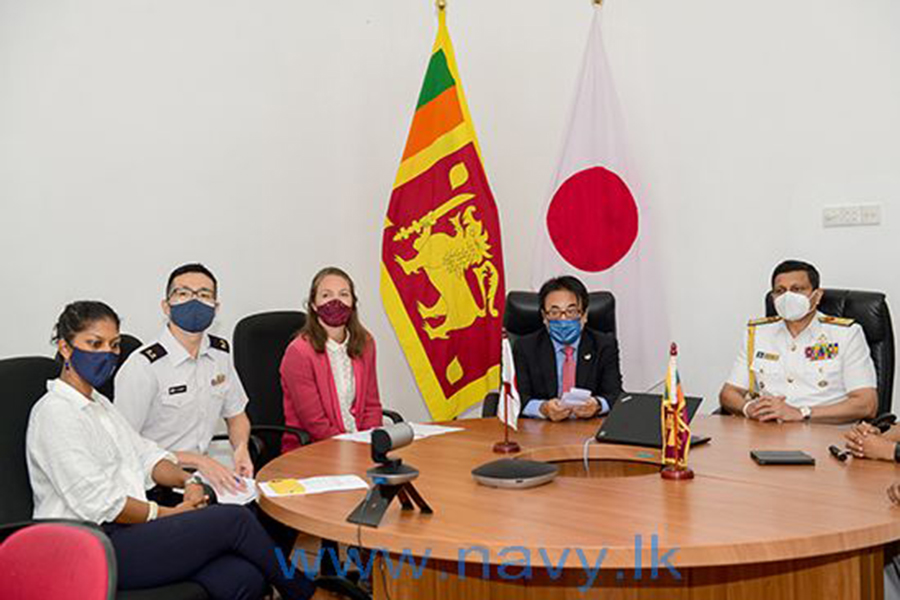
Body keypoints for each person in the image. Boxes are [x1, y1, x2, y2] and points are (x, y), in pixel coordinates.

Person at [26, 301, 327, 600]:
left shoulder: (100, 405)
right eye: (95, 344)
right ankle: (311, 596)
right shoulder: (56, 413)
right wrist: (169, 514)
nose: (108, 353)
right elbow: (101, 503)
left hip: (127, 530)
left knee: (242, 578)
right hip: (88, 546)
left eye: (114, 345)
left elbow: (147, 456)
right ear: (66, 348)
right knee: (234, 520)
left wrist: (189, 482)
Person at [115, 263, 251, 495]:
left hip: (204, 476)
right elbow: (124, 447)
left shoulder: (220, 355)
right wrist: (198, 461)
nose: (194, 301)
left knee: (264, 511)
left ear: (215, 307)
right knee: (237, 522)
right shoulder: (144, 366)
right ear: (166, 306)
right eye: (183, 293)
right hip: (157, 482)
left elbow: (237, 415)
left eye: (204, 295)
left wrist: (240, 448)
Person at [719, 260, 877, 424]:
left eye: (797, 289)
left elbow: (866, 404)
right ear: (773, 298)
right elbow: (728, 393)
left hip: (826, 435)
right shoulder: (758, 334)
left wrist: (802, 413)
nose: (788, 297)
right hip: (768, 434)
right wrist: (748, 408)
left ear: (817, 295)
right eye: (780, 291)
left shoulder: (846, 334)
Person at [280, 267, 383, 449]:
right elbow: (314, 423)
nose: (336, 301)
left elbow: (371, 405)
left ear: (353, 303)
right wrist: (349, 448)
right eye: (326, 295)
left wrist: (369, 444)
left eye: (343, 294)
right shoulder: (299, 352)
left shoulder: (365, 343)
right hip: (313, 449)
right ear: (313, 304)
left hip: (358, 445)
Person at [513, 276, 623, 422]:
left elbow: (615, 394)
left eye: (571, 312)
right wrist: (543, 408)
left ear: (584, 315)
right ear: (544, 317)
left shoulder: (604, 345)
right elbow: (515, 397)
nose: (563, 319)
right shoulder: (525, 347)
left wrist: (597, 405)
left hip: (588, 430)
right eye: (554, 312)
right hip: (540, 430)